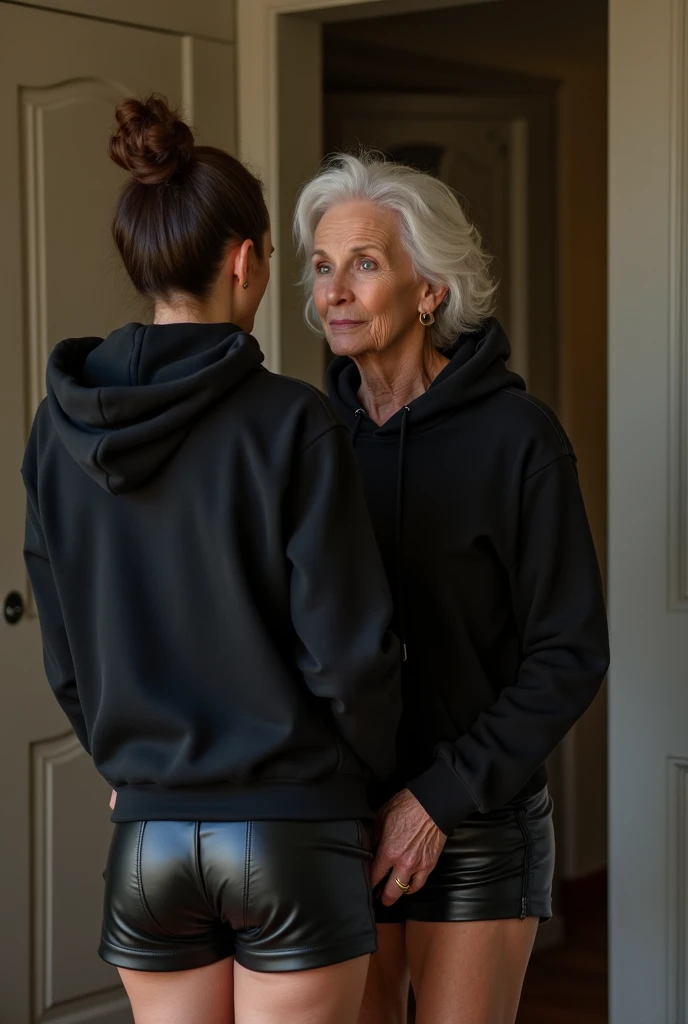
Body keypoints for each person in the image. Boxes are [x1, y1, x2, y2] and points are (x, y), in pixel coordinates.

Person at [22, 102, 401, 1024]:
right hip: (293, 828)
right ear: (243, 258)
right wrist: (373, 777)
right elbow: (349, 654)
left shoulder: (56, 432)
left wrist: (129, 756)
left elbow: (64, 645)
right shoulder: (293, 422)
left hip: (146, 837)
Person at [294, 152, 610, 1024]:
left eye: (364, 262)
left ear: (429, 288)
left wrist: (436, 800)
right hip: (333, 821)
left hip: (473, 821)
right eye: (323, 267)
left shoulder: (518, 438)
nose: (335, 292)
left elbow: (570, 652)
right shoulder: (307, 442)